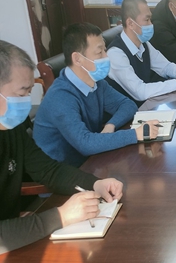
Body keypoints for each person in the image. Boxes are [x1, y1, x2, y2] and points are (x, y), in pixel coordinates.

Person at [0, 40, 123, 254]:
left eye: (30, 92)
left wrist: (95, 184)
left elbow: (48, 170)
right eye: (21, 94)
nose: (27, 102)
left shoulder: (11, 128)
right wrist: (61, 216)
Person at [33, 23, 159, 167]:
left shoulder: (96, 83)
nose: (106, 56)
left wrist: (111, 125)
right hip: (59, 171)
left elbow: (127, 105)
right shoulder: (60, 97)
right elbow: (85, 144)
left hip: (89, 160)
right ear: (78, 59)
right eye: (99, 52)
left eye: (105, 50)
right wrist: (135, 134)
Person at [106, 0, 176, 105]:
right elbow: (140, 91)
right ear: (131, 23)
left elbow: (165, 66)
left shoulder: (143, 44)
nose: (151, 24)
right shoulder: (115, 54)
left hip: (146, 106)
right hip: (127, 113)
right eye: (147, 20)